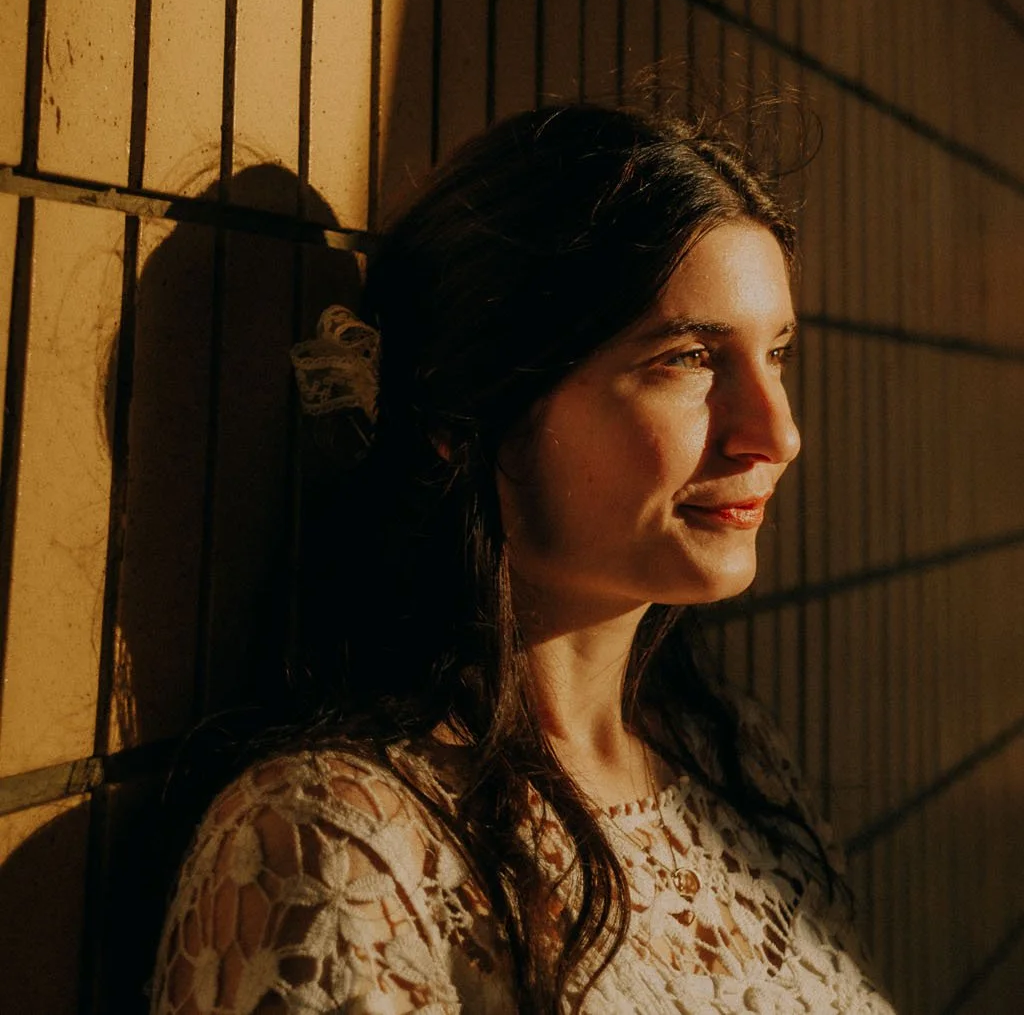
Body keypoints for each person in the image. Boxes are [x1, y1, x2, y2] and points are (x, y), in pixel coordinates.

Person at [149, 104, 891, 1015]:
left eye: (775, 352)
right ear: (467, 414)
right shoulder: (330, 850)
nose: (776, 433)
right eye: (690, 357)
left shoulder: (729, 754)